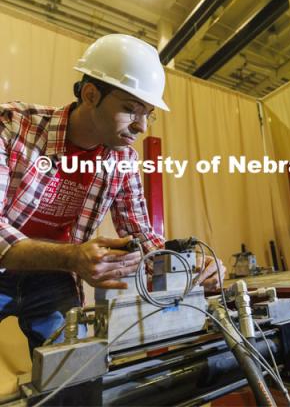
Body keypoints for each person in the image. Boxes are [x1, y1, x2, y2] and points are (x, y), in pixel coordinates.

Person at [0, 34, 225, 356]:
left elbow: (140, 233)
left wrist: (190, 265)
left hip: (54, 277)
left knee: (74, 373)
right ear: (91, 94)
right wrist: (72, 257)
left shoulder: (124, 160)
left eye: (148, 113)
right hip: (24, 263)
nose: (142, 126)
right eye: (131, 109)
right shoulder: (12, 125)